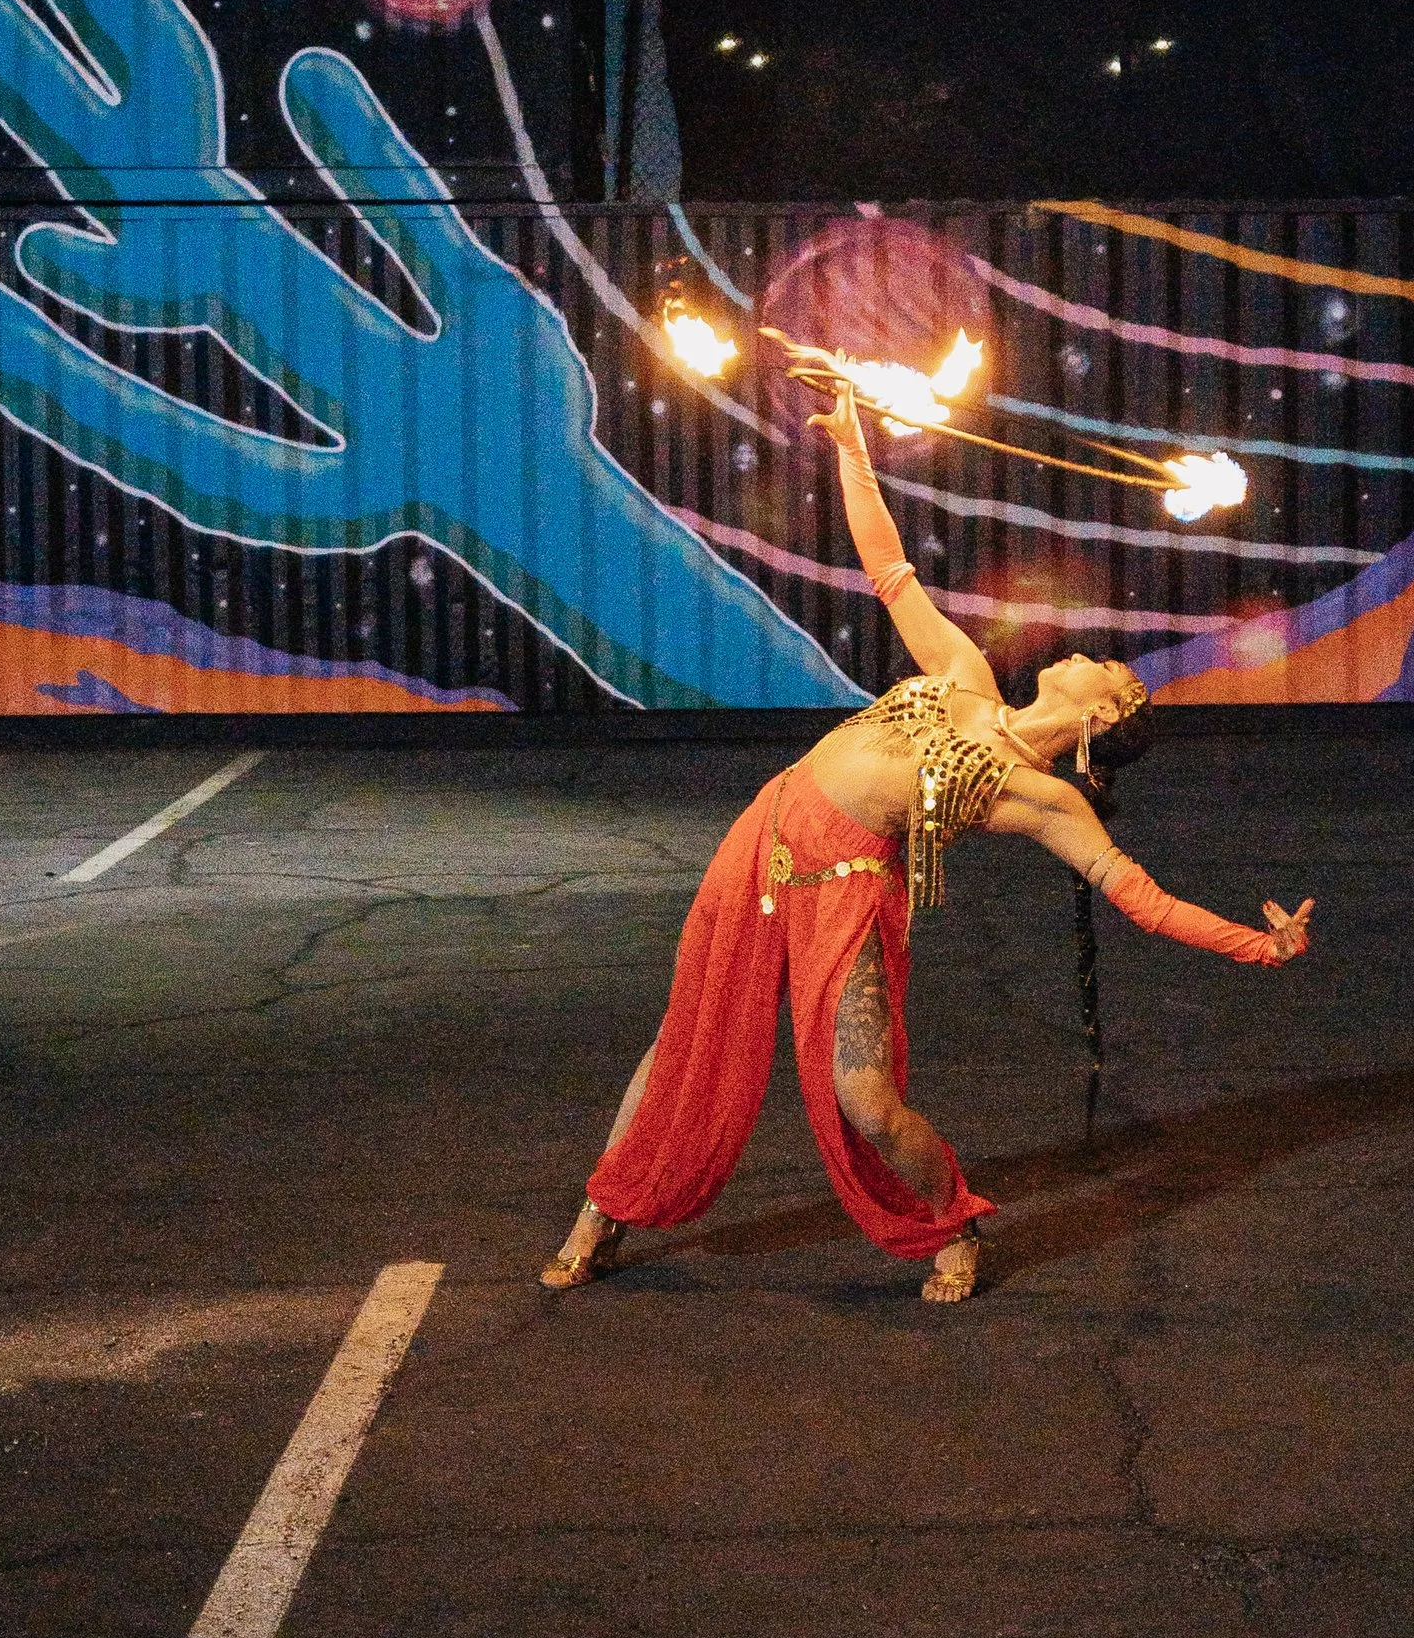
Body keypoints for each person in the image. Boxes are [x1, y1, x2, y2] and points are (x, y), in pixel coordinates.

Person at [541, 380, 1313, 1303]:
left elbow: (1138, 900)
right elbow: (890, 568)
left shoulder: (1042, 797)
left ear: (1104, 712)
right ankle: (602, 1213)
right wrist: (853, 447)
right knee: (680, 1041)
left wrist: (1262, 946)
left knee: (865, 1102)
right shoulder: (966, 672)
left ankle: (955, 1220)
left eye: (1104, 667)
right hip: (765, 834)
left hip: (845, 886)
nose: (1087, 653)